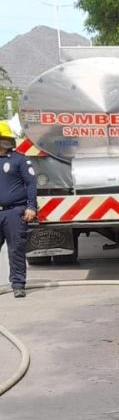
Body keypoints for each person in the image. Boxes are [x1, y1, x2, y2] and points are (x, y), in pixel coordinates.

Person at [0, 120, 36, 298]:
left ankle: (18, 284)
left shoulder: (19, 159)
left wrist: (31, 207)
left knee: (16, 250)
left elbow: (30, 184)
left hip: (14, 212)